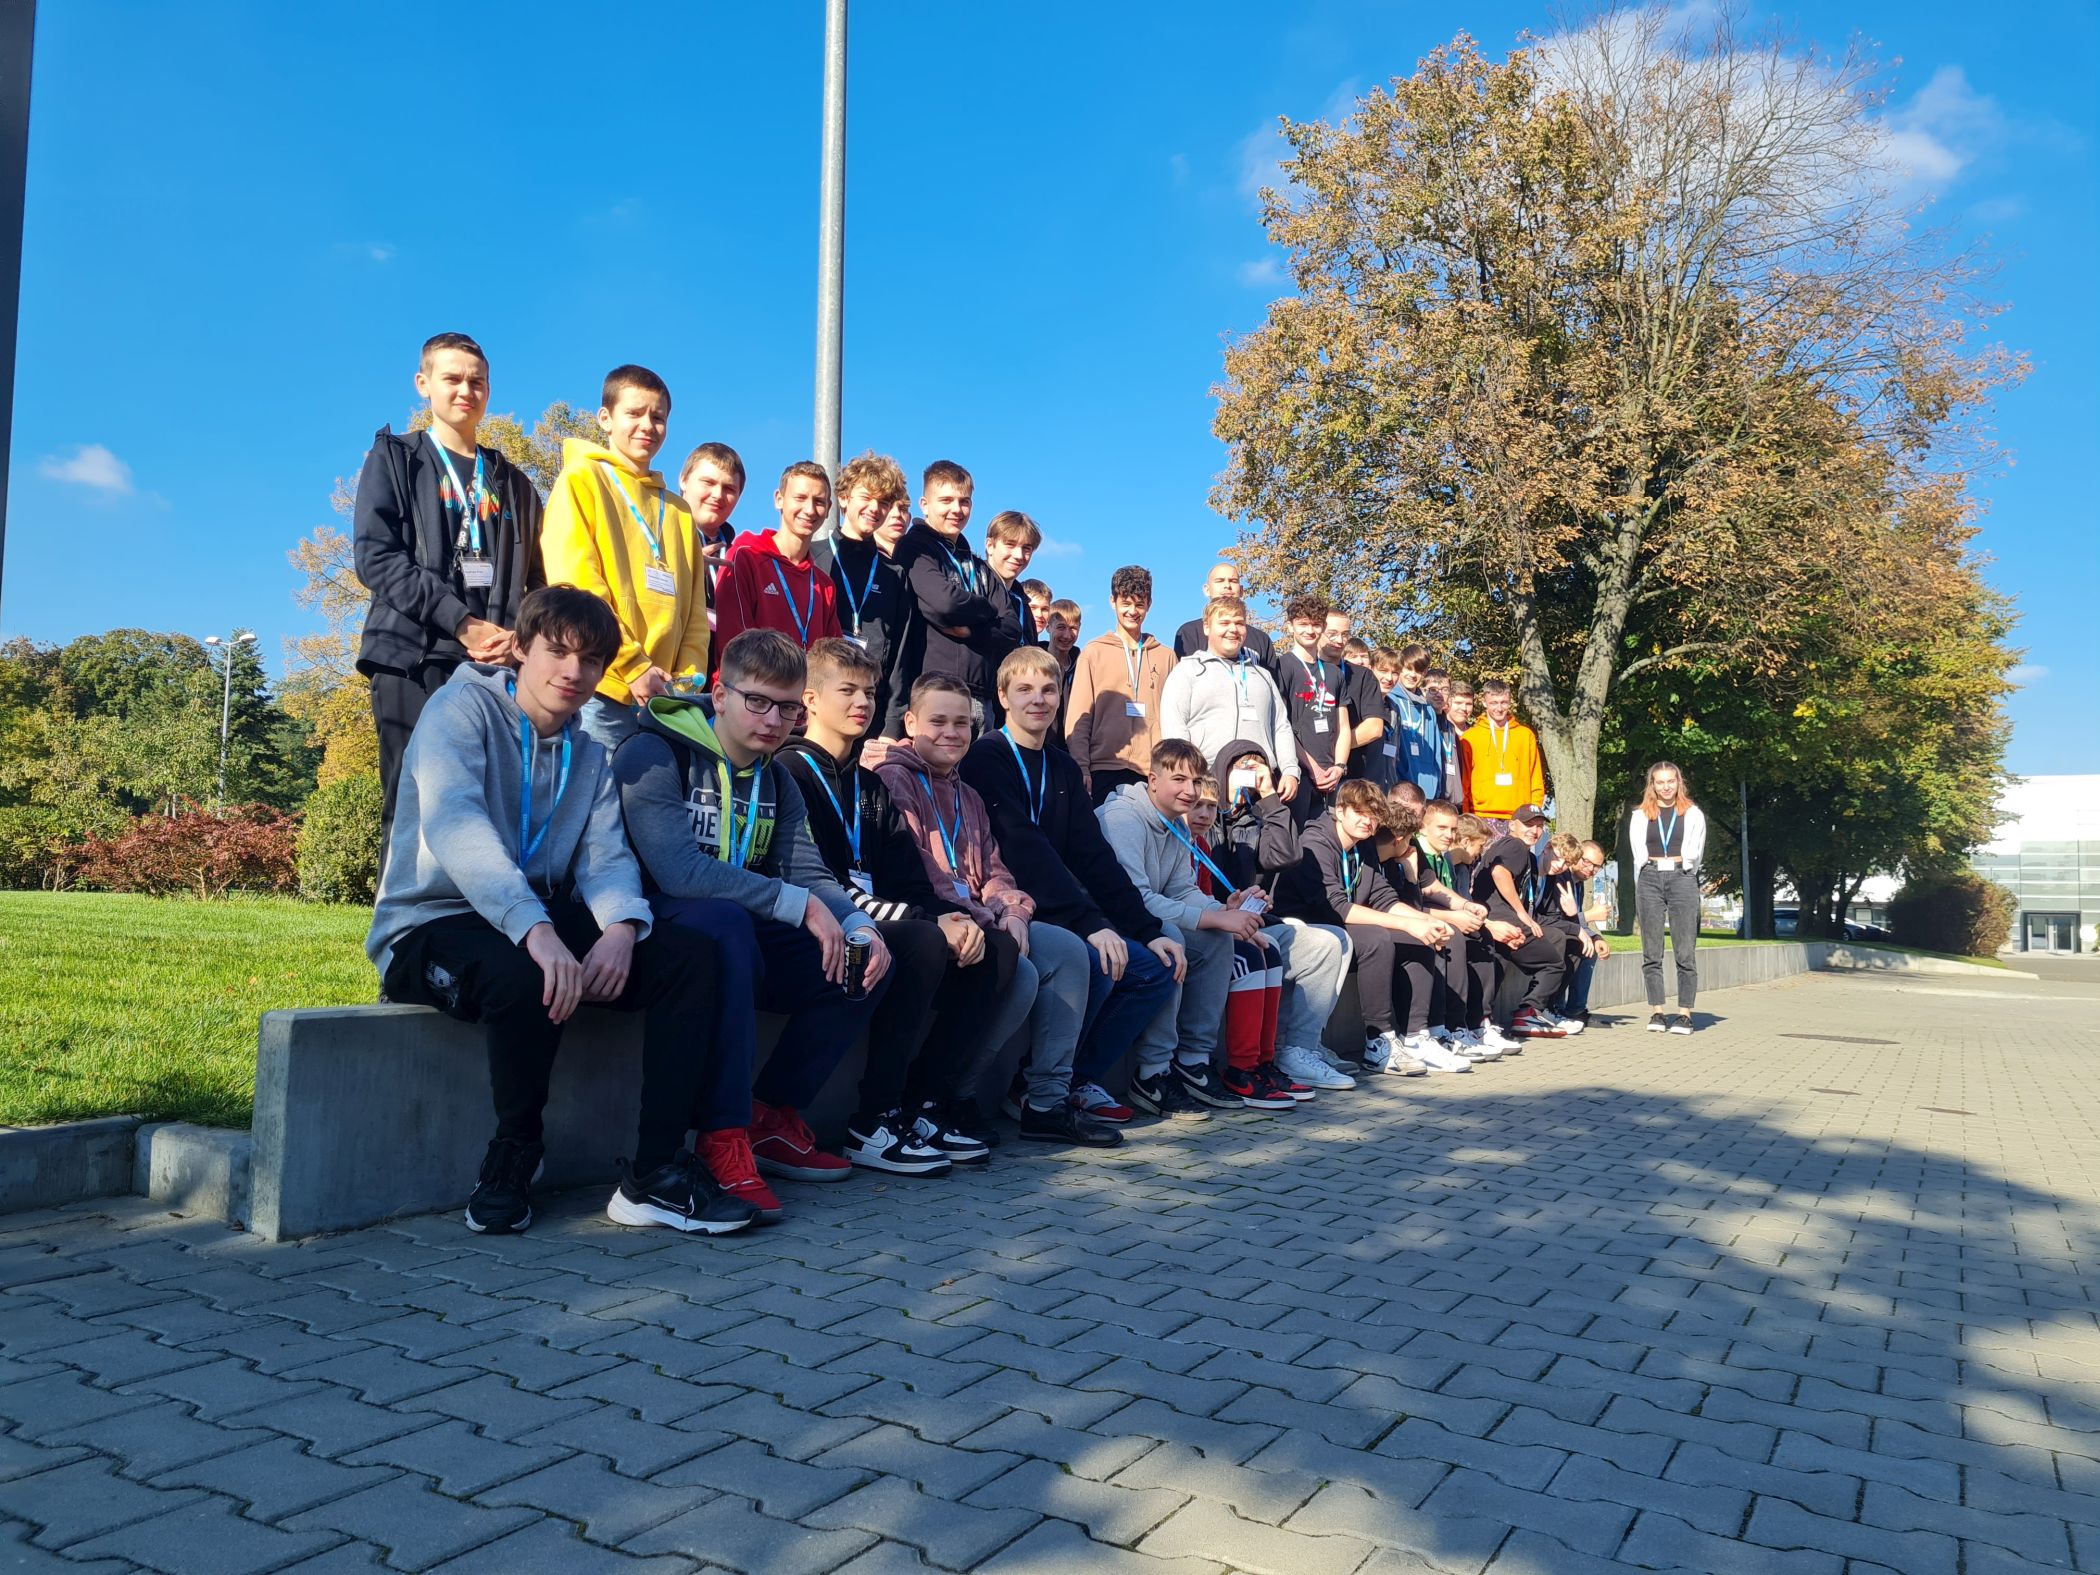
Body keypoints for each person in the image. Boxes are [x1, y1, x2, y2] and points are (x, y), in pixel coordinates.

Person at [369, 586, 753, 1237]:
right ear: (520, 648)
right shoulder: (457, 711)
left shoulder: (589, 753)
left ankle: (655, 1173)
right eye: (557, 651)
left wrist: (622, 928)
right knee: (527, 972)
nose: (573, 671)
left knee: (688, 957)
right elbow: (457, 826)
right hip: (432, 922)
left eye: (592, 660)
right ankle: (513, 1155)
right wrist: (538, 930)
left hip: (534, 918)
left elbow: (605, 856)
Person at [612, 628, 886, 1217]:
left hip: (736, 929)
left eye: (787, 708)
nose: (773, 720)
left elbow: (807, 871)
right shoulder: (653, 752)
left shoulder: (776, 777)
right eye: (757, 701)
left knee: (864, 958)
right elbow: (677, 871)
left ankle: (770, 1117)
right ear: (720, 693)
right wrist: (797, 904)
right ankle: (721, 1134)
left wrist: (858, 923)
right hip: (658, 928)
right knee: (728, 923)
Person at [782, 638, 1032, 1173]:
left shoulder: (867, 785)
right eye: (847, 690)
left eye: (870, 692)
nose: (862, 702)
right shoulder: (791, 772)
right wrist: (930, 921)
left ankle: (925, 1105)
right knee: (921, 942)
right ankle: (874, 1117)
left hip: (873, 913)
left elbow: (906, 877)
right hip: (818, 918)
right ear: (810, 699)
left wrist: (949, 916)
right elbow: (819, 879)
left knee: (995, 949)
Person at [879, 674, 1123, 1147]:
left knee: (1068, 951)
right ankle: (953, 1094)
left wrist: (1012, 911)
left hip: (987, 917)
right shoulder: (895, 780)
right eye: (938, 722)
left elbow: (994, 869)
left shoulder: (968, 793)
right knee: (1019, 971)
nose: (952, 733)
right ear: (909, 723)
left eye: (961, 723)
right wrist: (988, 920)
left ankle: (1046, 1102)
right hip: (938, 919)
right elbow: (921, 872)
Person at [962, 647, 1185, 1124]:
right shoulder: (987, 757)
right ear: (1002, 696)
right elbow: (1022, 847)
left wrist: (1147, 929)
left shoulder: (1062, 766)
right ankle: (1037, 1087)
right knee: (1094, 959)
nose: (1038, 700)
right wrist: (1089, 923)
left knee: (1155, 968)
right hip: (1011, 906)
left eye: (1048, 689)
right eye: (1025, 689)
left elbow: (1093, 855)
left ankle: (1076, 1080)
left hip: (1061, 905)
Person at [355, 332, 545, 857]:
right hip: (414, 658)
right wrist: (463, 623)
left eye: (477, 381)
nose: (466, 390)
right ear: (424, 384)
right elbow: (376, 558)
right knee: (412, 802)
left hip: (497, 663)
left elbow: (540, 582)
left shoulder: (514, 482)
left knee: (490, 805)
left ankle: (477, 910)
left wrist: (519, 640)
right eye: (453, 379)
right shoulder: (397, 459)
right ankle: (399, 913)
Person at [1098, 738, 1280, 1113]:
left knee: (1216, 940)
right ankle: (1152, 1072)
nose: (1190, 790)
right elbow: (1133, 899)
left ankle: (1193, 1061)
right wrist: (1215, 917)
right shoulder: (1122, 818)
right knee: (1172, 938)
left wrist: (1224, 910)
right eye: (1179, 779)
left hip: (1144, 917)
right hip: (1105, 920)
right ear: (1152, 780)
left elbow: (1182, 890)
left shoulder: (1175, 823)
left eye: (1196, 781)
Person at [540, 365, 707, 751]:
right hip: (601, 689)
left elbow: (695, 614)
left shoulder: (680, 512)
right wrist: (633, 666)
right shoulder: (580, 480)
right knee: (595, 790)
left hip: (666, 701)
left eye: (658, 417)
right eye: (634, 413)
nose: (647, 425)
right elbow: (577, 586)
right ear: (605, 418)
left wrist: (685, 683)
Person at [1273, 780, 1458, 1074]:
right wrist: (1408, 924)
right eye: (1359, 812)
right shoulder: (1315, 843)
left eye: (1373, 815)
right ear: (1340, 811)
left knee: (1419, 939)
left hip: (1339, 924)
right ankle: (1378, 1039)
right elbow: (1336, 907)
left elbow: (1383, 898)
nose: (1367, 821)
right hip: (1306, 925)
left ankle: (1416, 1037)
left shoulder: (1363, 846)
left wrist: (1425, 921)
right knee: (1376, 939)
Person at [886, 461, 1023, 732]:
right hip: (935, 692)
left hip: (983, 700)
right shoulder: (914, 548)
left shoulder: (978, 566)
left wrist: (971, 631)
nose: (957, 509)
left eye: (964, 501)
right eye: (946, 500)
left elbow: (1011, 629)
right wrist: (988, 610)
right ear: (925, 505)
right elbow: (945, 603)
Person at [1378, 783, 1502, 1063]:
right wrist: (1445, 917)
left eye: (1416, 815)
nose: (1410, 822)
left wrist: (1465, 905)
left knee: (1475, 936)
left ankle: (1464, 1026)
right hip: (1390, 919)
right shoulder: (1380, 844)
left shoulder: (1412, 847)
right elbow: (1394, 903)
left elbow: (1432, 888)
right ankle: (1427, 1032)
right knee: (1441, 935)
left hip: (1406, 914)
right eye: (1408, 815)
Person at [1156, 596, 1299, 803]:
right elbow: (1174, 728)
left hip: (1261, 785)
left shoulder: (1263, 675)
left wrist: (1290, 770)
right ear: (1207, 627)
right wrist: (1189, 778)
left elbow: (1280, 726)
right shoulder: (1187, 671)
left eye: (1239, 623)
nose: (1233, 629)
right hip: (1207, 784)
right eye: (1224, 623)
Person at [1417, 800, 1524, 1056]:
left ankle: (1476, 1024)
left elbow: (1447, 896)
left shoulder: (1444, 857)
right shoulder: (1418, 854)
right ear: (1423, 827)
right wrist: (1457, 917)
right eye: (1442, 828)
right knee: (1454, 937)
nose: (1449, 835)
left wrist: (1473, 913)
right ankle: (1448, 1027)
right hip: (1419, 923)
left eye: (1452, 829)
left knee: (1483, 937)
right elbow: (1410, 903)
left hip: (1438, 919)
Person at [1066, 565, 1176, 805]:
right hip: (1103, 768)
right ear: (1112, 602)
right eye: (1125, 603)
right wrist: (1081, 766)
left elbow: (1175, 719)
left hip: (1153, 771)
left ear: (1149, 604)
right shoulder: (1094, 652)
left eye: (1139, 604)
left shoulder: (1166, 656)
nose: (1132, 611)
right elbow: (1079, 716)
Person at [1470, 805, 1578, 1038]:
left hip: (1491, 917)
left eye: (1539, 826)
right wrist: (1521, 913)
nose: (1534, 830)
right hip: (1500, 918)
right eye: (1528, 824)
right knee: (1553, 963)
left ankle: (1481, 1021)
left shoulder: (1522, 854)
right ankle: (1527, 1013)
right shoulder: (1515, 845)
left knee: (1498, 963)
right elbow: (1500, 873)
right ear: (1512, 825)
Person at [713, 462, 844, 651]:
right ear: (779, 499)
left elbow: (833, 658)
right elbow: (732, 645)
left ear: (829, 507)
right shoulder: (746, 557)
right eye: (800, 498)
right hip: (750, 671)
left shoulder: (824, 586)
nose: (809, 509)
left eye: (819, 501)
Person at [828, 451, 911, 728]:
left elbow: (900, 656)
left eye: (884, 502)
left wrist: (892, 725)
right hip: (820, 707)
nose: (875, 508)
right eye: (866, 497)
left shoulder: (894, 574)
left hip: (872, 712)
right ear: (843, 498)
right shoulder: (815, 558)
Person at [1631, 761, 1704, 1034]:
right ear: (1652, 784)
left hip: (1682, 876)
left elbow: (1697, 851)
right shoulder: (1640, 815)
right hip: (1649, 876)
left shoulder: (1693, 813)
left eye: (1670, 781)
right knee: (1651, 950)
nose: (1665, 787)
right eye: (1660, 782)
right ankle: (1657, 1012)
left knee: (1685, 950)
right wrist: (1644, 873)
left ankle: (1684, 1014)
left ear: (1678, 782)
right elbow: (1637, 851)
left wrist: (1686, 870)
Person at [1274, 596, 1351, 826]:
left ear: (1323, 627)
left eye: (1316, 624)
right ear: (1290, 626)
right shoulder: (1282, 667)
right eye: (1303, 624)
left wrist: (1339, 767)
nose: (1310, 630)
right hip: (1299, 775)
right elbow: (1281, 725)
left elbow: (1343, 726)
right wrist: (1313, 768)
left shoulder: (1334, 673)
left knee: (1327, 841)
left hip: (1331, 777)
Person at [1537, 833, 1608, 1029]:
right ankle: (1554, 1007)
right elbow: (1558, 918)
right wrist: (1590, 915)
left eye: (1596, 866)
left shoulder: (1578, 884)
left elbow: (1572, 919)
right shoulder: (1560, 878)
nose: (1590, 869)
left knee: (1589, 946)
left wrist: (1596, 936)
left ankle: (1575, 1009)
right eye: (1586, 862)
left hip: (1558, 929)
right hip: (1545, 929)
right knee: (1572, 943)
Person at [677, 441, 744, 625]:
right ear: (684, 480)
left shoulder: (740, 557)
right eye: (708, 482)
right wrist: (685, 569)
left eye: (729, 489)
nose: (718, 495)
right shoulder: (659, 540)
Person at [1463, 680, 1545, 828]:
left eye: (1504, 702)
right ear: (1484, 702)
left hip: (1520, 817)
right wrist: (1466, 816)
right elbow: (1464, 782)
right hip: (1481, 816)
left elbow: (1536, 779)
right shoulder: (1470, 737)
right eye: (1494, 703)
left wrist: (1533, 814)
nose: (1499, 708)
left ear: (1510, 702)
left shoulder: (1525, 735)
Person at [1172, 561, 1277, 673]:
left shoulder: (1261, 639)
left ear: (1241, 590)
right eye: (1220, 581)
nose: (1227, 585)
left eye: (1233, 581)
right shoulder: (1189, 633)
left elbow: (1271, 681)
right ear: (1207, 589)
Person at [1327, 618, 1390, 788]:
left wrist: (1334, 750)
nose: (1339, 640)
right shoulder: (1299, 669)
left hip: (1353, 779)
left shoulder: (1363, 676)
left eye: (1345, 634)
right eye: (1332, 633)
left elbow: (1373, 728)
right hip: (1306, 773)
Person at [1388, 645, 1449, 801]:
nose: (1413, 675)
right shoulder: (1390, 699)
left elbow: (1436, 754)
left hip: (1427, 793)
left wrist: (1437, 787)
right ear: (1400, 667)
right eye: (1408, 669)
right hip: (1398, 791)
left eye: (1419, 671)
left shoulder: (1428, 710)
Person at [982, 512, 1043, 646]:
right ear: (990, 546)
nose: (1018, 555)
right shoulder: (973, 586)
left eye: (1026, 548)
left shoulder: (1021, 601)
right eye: (1010, 544)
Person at [1431, 673, 1473, 810]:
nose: (1464, 708)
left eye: (1468, 704)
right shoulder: (1436, 729)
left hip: (1468, 803)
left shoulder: (1475, 735)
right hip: (1441, 800)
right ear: (1447, 703)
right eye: (1458, 703)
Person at [1046, 598, 1082, 745]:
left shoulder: (1082, 666)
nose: (1067, 635)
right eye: (1061, 627)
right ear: (1048, 627)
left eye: (1073, 628)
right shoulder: (1034, 664)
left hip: (1072, 746)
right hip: (1042, 744)